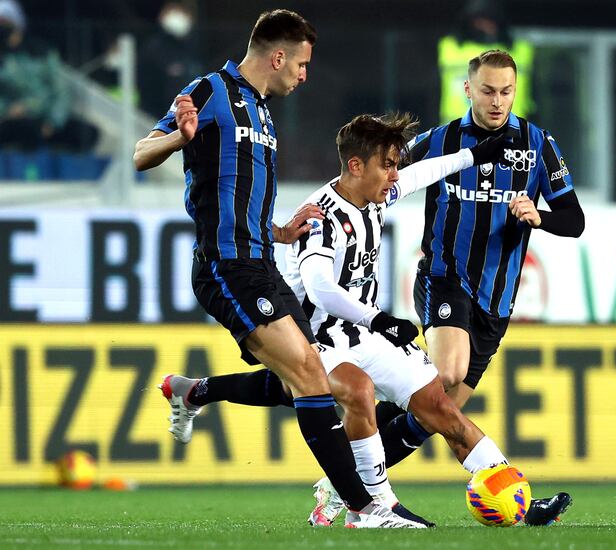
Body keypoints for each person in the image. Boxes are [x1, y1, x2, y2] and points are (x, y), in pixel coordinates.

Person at [158, 113, 570, 527]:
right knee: (356, 389)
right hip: (312, 337)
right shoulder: (321, 217)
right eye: (388, 165)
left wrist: (472, 155)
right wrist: (381, 321)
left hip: (362, 332)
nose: (395, 175)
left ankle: (509, 489)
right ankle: (376, 508)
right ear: (356, 167)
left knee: (438, 406)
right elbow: (320, 288)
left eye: (395, 164)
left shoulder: (378, 194)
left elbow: (424, 173)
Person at [133, 9, 422, 529]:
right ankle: (366, 507)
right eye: (303, 64)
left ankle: (192, 391)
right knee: (311, 375)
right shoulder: (211, 90)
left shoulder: (262, 111)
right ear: (279, 56)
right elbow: (140, 154)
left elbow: (237, 201)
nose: (305, 75)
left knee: (303, 374)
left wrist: (282, 233)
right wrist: (180, 138)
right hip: (227, 266)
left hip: (262, 259)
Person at [373, 48, 584, 525]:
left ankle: (344, 476)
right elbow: (385, 171)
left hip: (497, 301)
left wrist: (539, 215)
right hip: (445, 278)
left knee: (437, 415)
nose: (497, 101)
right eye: (487, 91)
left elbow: (574, 219)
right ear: (468, 88)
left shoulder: (537, 144)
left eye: (506, 92)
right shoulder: (443, 139)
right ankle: (355, 475)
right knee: (447, 373)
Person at [0, 0, 98, 154]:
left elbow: (61, 91)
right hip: (11, 121)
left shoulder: (41, 52)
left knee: (87, 133)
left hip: (42, 118)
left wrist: (52, 122)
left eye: (6, 22)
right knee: (22, 130)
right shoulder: (3, 58)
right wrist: (8, 111)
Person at [438, 0, 534, 124]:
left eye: (489, 21)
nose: (484, 27)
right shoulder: (450, 49)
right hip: (458, 136)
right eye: (479, 21)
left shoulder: (520, 51)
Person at [137, 2, 204, 118]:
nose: (177, 17)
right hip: (154, 114)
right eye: (173, 11)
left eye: (183, 13)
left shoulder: (192, 49)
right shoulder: (154, 47)